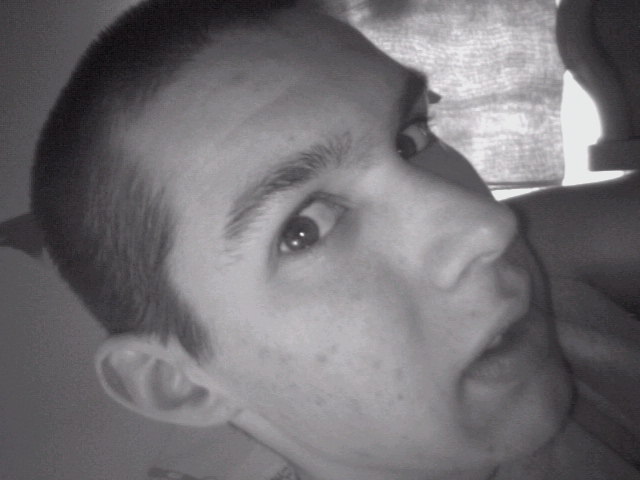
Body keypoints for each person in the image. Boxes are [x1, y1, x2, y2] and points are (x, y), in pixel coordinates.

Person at [27, 0, 640, 479]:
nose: (490, 227)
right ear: (179, 382)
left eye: (412, 138)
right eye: (304, 229)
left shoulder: (547, 285)